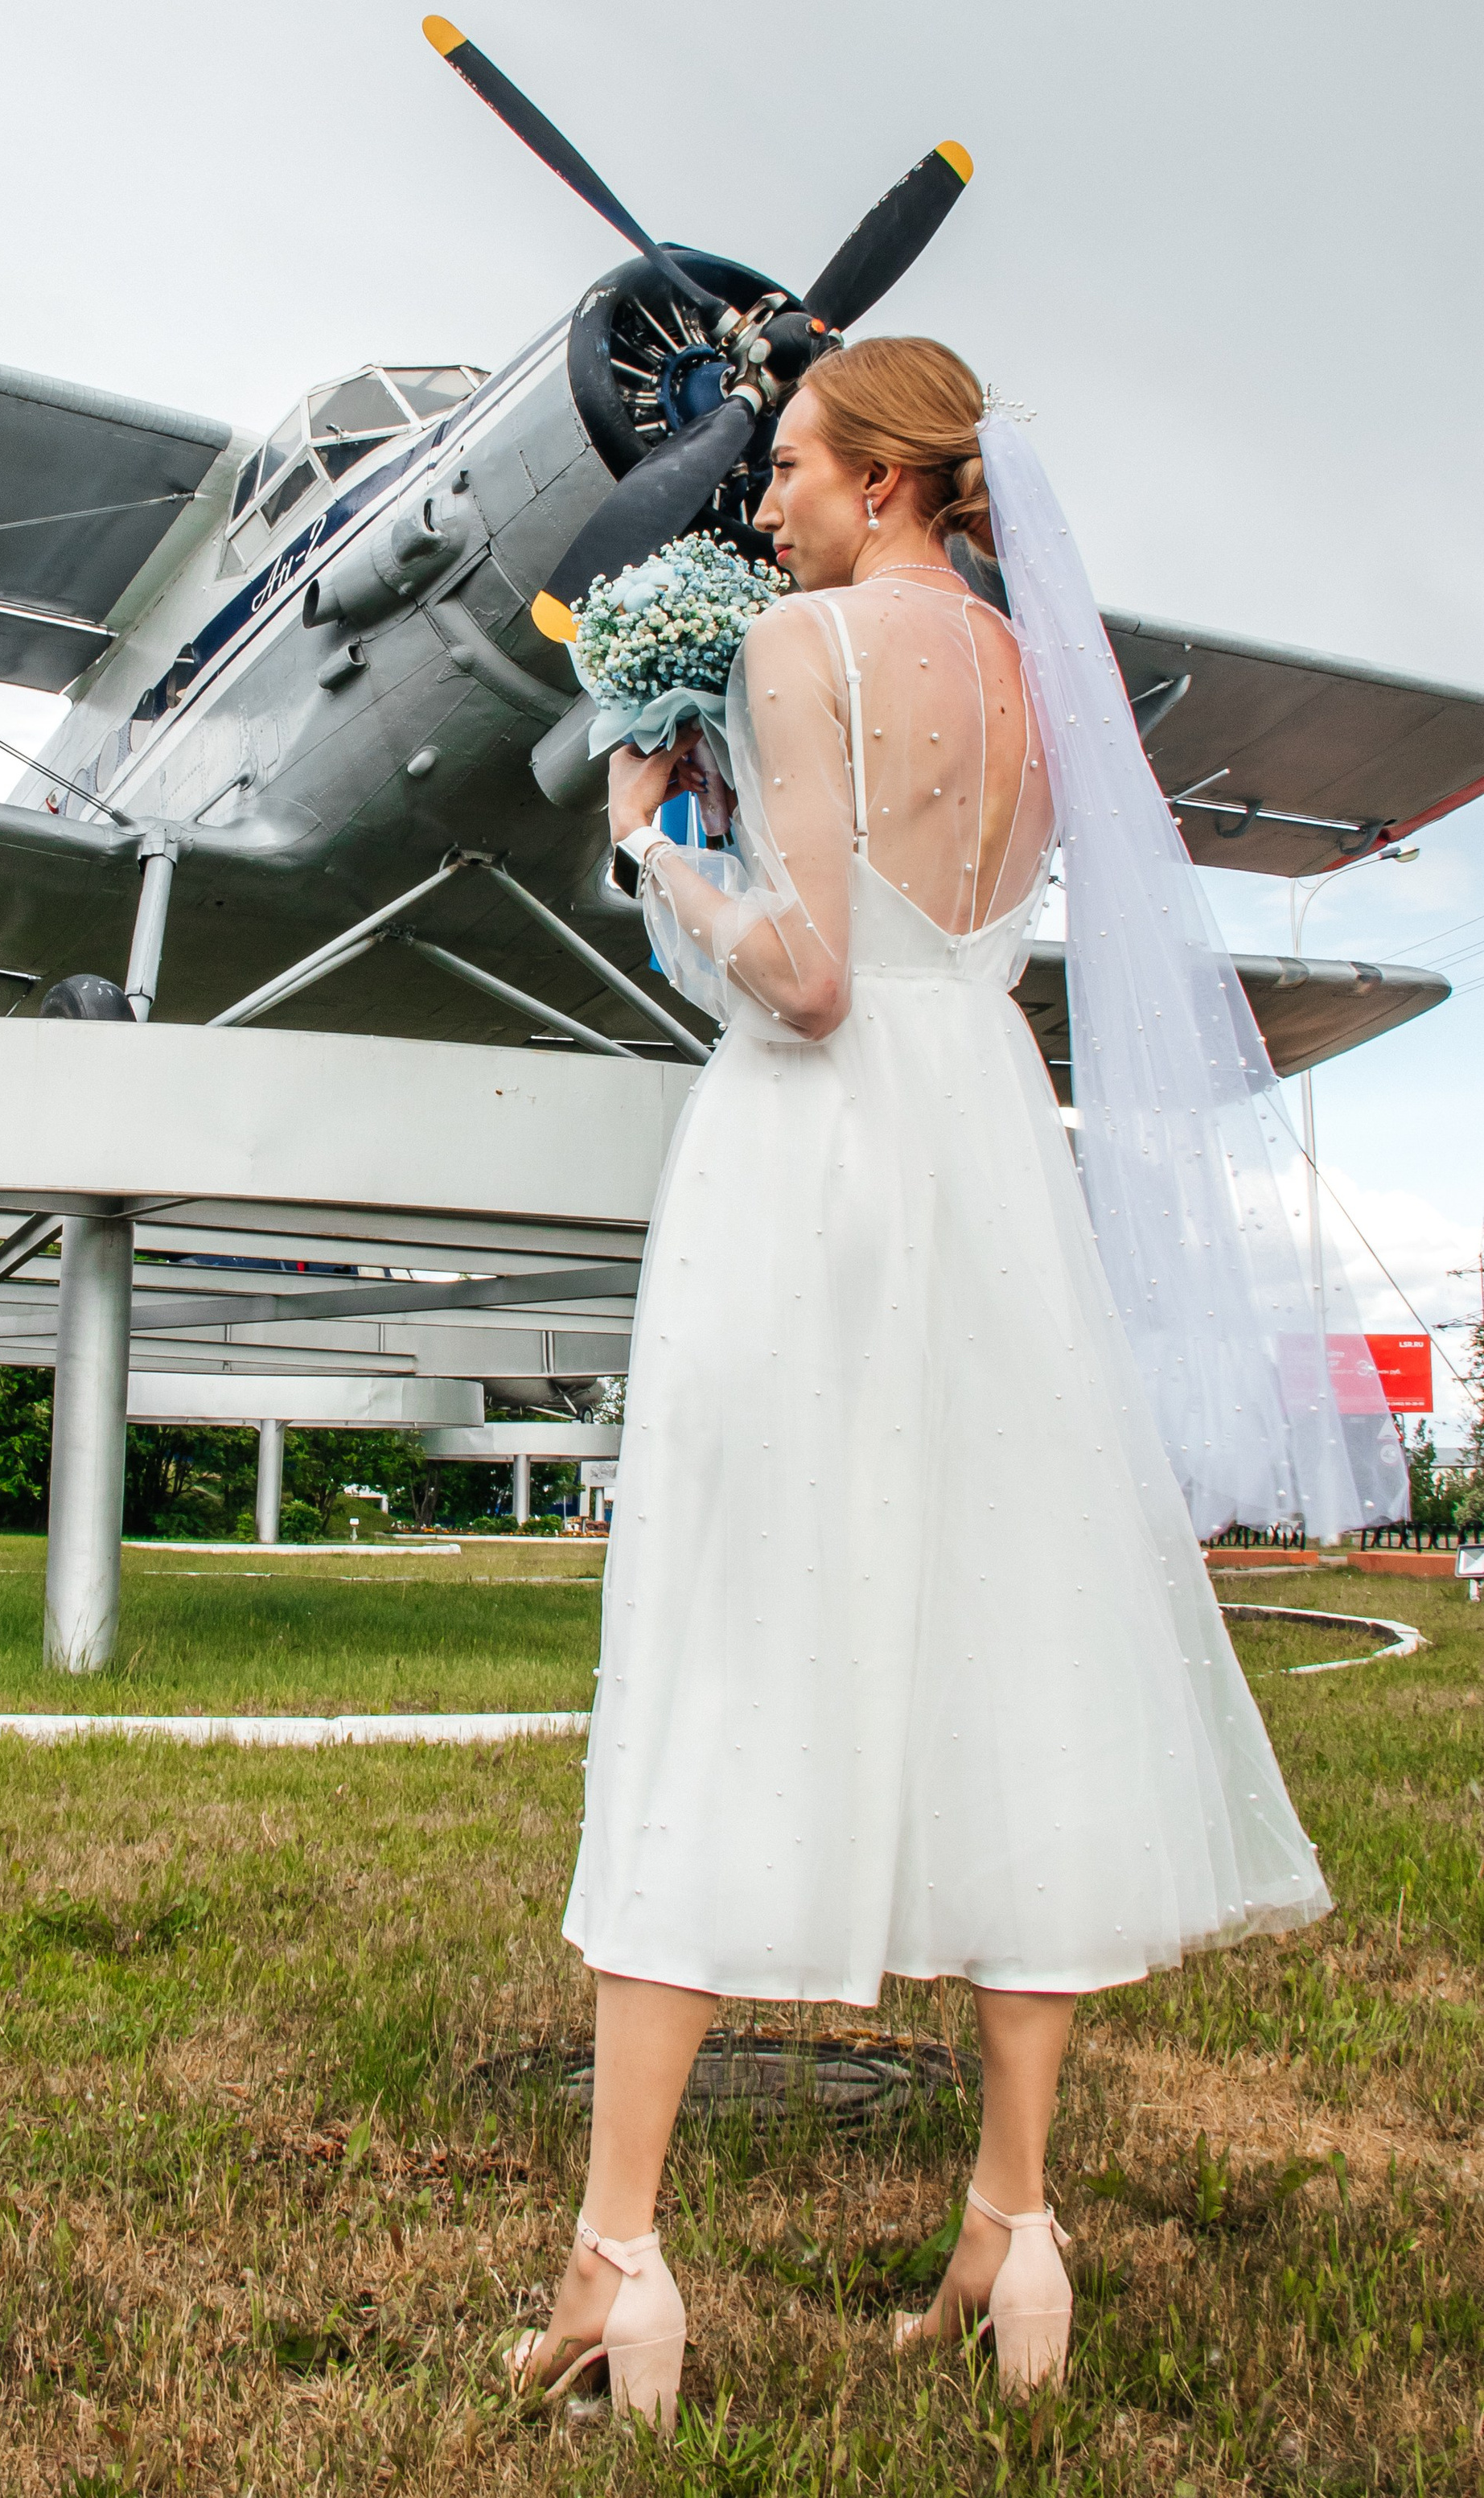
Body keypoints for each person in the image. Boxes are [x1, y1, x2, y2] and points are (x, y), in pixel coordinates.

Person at [511, 338, 1331, 2430]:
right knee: (1016, 1635)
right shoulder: (1046, 684)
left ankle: (624, 2260)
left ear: (883, 477)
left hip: (827, 1161)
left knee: (723, 1643)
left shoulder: (804, 644)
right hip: (991, 1154)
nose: (761, 499)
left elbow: (802, 977)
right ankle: (1017, 2217)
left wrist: (650, 840)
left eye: (787, 464)